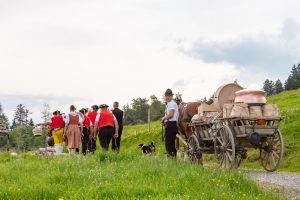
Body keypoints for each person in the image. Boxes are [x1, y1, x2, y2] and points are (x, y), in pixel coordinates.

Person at [161, 89, 179, 158]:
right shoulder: (170, 104)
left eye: (169, 96)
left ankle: (172, 158)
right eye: (166, 96)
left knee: (168, 144)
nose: (167, 97)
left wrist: (164, 118)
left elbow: (171, 115)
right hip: (172, 124)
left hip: (171, 125)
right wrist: (164, 121)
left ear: (172, 96)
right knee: (171, 143)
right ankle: (173, 158)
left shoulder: (171, 103)